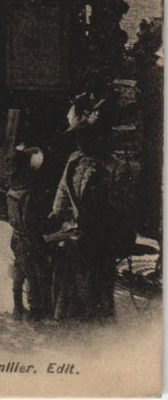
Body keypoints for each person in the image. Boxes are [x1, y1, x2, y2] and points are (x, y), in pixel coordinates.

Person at [48, 91, 131, 322]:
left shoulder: (115, 168)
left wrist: (104, 226)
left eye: (87, 137)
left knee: (97, 279)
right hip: (75, 230)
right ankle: (68, 319)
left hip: (100, 236)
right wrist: (59, 215)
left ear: (100, 139)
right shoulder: (75, 160)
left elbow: (121, 206)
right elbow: (63, 190)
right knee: (69, 275)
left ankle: (97, 321)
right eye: (80, 137)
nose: (81, 142)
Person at [5, 143, 53, 320]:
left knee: (19, 272)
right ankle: (35, 310)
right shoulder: (29, 195)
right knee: (33, 275)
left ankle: (17, 306)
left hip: (16, 237)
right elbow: (32, 222)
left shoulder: (12, 190)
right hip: (29, 240)